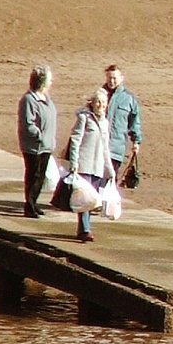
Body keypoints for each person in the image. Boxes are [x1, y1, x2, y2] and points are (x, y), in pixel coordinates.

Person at [67, 89, 115, 242]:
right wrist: (74, 163)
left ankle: (84, 228)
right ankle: (85, 229)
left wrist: (110, 170)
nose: (101, 105)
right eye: (98, 102)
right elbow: (75, 140)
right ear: (92, 103)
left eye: (104, 103)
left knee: (93, 199)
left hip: (98, 167)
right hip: (84, 164)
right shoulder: (84, 118)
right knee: (85, 199)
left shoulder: (105, 123)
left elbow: (106, 149)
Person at [17, 64, 57, 218]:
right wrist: (39, 136)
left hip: (46, 145)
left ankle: (34, 203)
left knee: (41, 176)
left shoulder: (47, 99)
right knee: (33, 175)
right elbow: (28, 124)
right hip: (33, 146)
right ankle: (30, 205)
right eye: (49, 79)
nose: (51, 81)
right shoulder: (28, 99)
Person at [102, 64, 143, 179]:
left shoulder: (129, 99)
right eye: (109, 78)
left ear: (121, 78)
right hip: (98, 148)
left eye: (114, 78)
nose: (112, 81)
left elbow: (134, 122)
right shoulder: (100, 96)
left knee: (110, 182)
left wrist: (136, 142)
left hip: (116, 149)